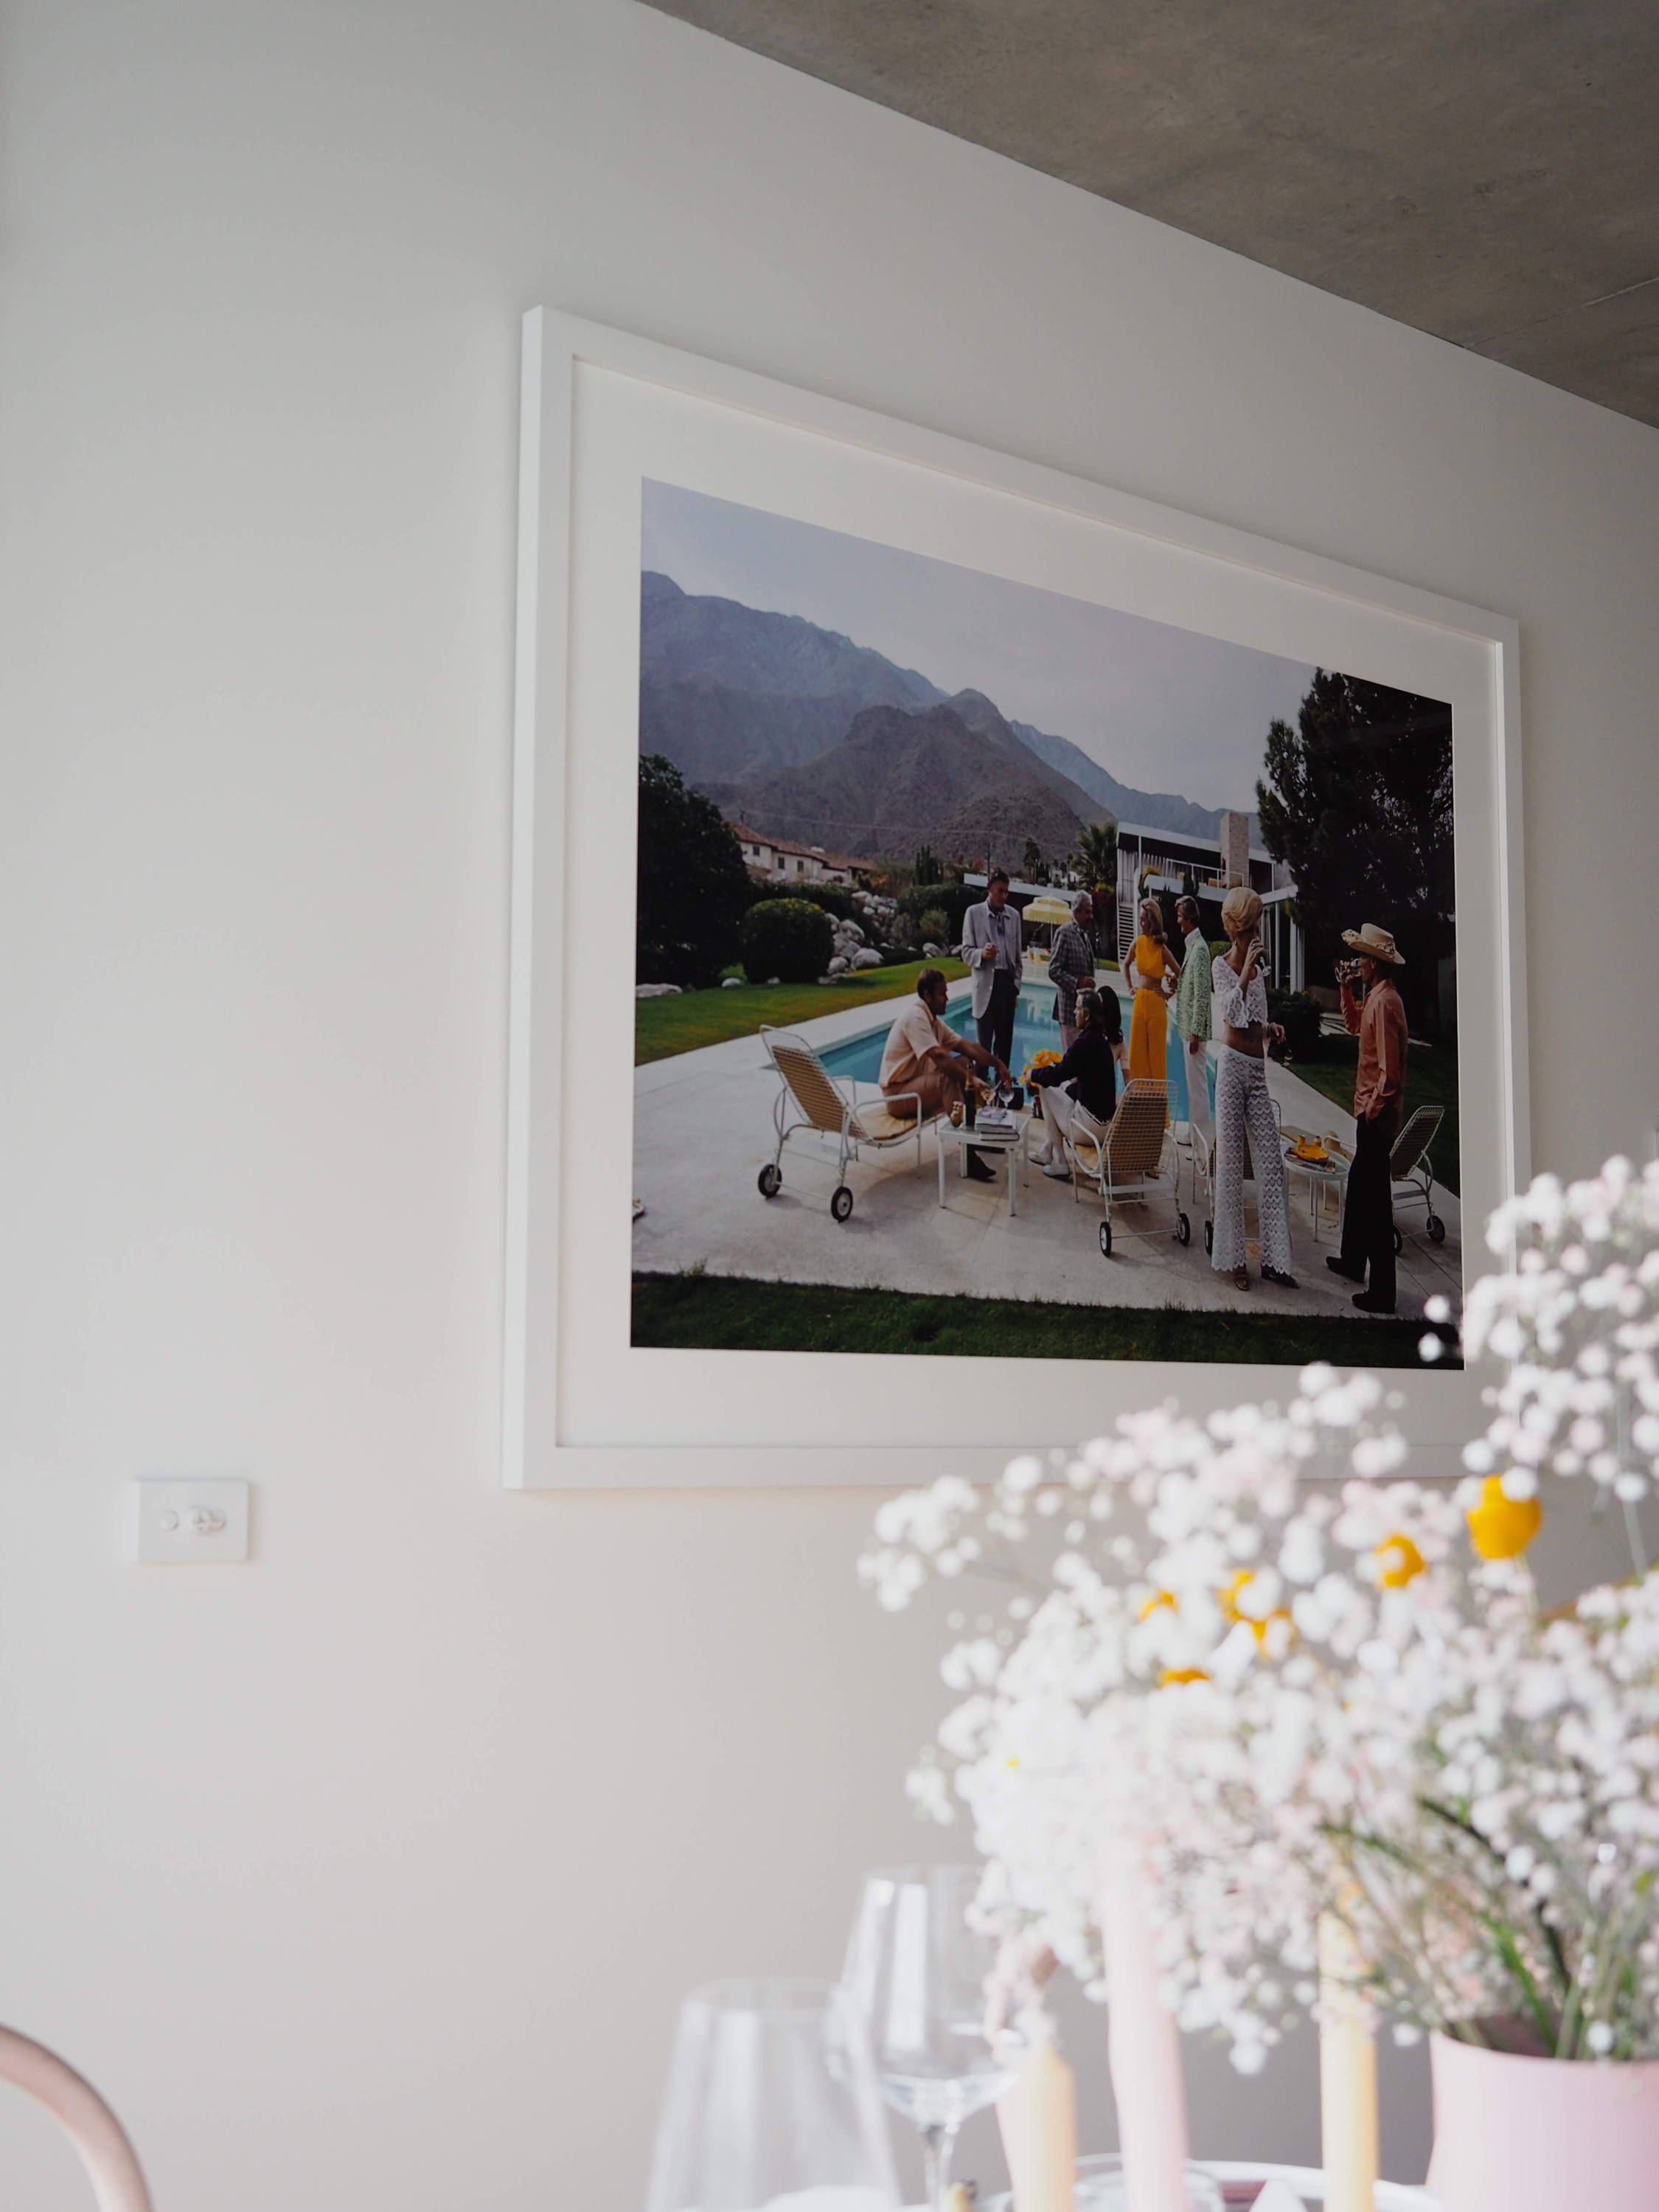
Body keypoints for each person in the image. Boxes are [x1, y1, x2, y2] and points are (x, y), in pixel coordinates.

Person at [1209, 886, 1297, 1292]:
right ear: (1240, 928)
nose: (1259, 931)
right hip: (1230, 1071)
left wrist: (1271, 1029)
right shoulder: (1221, 966)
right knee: (1229, 1168)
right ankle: (1235, 1261)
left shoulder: (1259, 973)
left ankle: (1277, 1261)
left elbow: (1251, 1023)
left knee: (1272, 1166)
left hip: (1257, 1072)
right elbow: (1229, 1012)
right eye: (1255, 924)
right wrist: (1245, 969)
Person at [1326, 923, 1410, 1313]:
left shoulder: (1385, 1003)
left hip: (1375, 1119)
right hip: (1369, 1114)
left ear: (1375, 964)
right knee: (1360, 1193)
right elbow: (1354, 1025)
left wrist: (1371, 1112)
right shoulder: (1376, 997)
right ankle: (1351, 1261)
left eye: (1362, 958)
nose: (1358, 963)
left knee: (1375, 1205)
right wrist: (1345, 989)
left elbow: (1390, 1075)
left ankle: (1383, 1293)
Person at [879, 967, 1009, 1183]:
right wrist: (973, 1080)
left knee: (965, 1062)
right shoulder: (915, 1016)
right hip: (898, 1095)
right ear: (927, 995)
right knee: (946, 1079)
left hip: (915, 1088)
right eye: (942, 994)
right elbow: (938, 1056)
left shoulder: (934, 1022)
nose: (947, 999)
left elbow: (968, 1047)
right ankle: (968, 1154)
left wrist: (998, 1064)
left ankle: (982, 1131)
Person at [1029, 987, 1124, 1177]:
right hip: (1105, 1129)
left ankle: (1061, 1162)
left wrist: (1033, 1075)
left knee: (1045, 1088)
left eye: (1077, 1008)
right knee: (1063, 1088)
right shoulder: (1102, 1042)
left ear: (1086, 1015)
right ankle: (1046, 1151)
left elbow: (1057, 1074)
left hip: (1087, 1130)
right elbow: (1079, 1081)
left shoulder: (1084, 1043)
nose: (1074, 1012)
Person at [959, 868, 1023, 1070]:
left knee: (1005, 1047)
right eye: (999, 891)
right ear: (989, 889)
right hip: (986, 985)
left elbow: (1018, 959)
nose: (1003, 896)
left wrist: (1016, 987)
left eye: (1006, 892)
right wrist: (982, 954)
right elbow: (965, 952)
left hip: (1007, 986)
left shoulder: (1014, 916)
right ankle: (980, 1090)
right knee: (983, 1048)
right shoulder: (973, 913)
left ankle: (1002, 1094)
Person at [1171, 894, 1212, 1147]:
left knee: (1197, 1086)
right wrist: (1177, 983)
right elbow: (1192, 988)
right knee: (1192, 1083)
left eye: (1179, 916)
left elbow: (1202, 996)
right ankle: (1195, 1132)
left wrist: (1196, 1033)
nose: (1177, 922)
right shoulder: (1193, 947)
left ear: (1188, 918)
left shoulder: (1200, 950)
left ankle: (1199, 1137)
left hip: (1194, 1032)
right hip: (1189, 1030)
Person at [1126, 898, 1178, 1092]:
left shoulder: (1162, 949)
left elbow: (1180, 972)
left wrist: (1169, 993)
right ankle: (1139, 1103)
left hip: (1157, 1004)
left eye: (1143, 920)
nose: (1140, 924)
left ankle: (1157, 1111)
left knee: (1156, 1058)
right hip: (1140, 1001)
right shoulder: (1138, 943)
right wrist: (1130, 987)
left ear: (1153, 921)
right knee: (1135, 1056)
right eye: (1140, 919)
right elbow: (1125, 964)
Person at [1047, 891, 1096, 1051]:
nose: (1091, 916)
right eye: (1088, 912)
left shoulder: (1083, 935)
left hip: (1083, 1013)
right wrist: (1077, 983)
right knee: (1073, 1064)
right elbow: (1054, 970)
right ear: (1077, 912)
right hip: (1070, 1011)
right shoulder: (1065, 933)